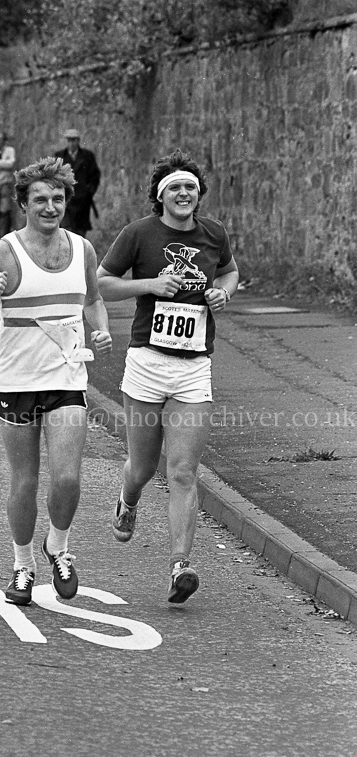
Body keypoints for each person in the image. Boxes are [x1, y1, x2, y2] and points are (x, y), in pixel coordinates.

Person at [0, 156, 112, 605]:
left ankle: (58, 548)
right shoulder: (4, 252)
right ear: (22, 203)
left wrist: (100, 329)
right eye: (40, 199)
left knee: (67, 479)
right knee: (24, 481)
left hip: (66, 376)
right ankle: (22, 565)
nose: (50, 207)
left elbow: (95, 299)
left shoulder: (82, 250)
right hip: (16, 380)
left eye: (58, 199)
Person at [97, 149, 239, 606]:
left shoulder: (213, 233)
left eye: (191, 189)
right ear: (160, 196)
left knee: (182, 471)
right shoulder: (139, 233)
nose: (184, 194)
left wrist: (222, 293)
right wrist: (150, 286)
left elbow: (231, 271)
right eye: (175, 188)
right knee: (142, 467)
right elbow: (101, 282)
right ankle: (128, 498)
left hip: (195, 367)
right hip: (146, 365)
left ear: (199, 197)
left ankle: (181, 565)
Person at [54, 129, 100, 237]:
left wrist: (89, 191)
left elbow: (95, 176)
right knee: (66, 231)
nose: (71, 143)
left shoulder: (87, 156)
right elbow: (54, 176)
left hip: (82, 202)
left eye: (74, 140)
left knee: (80, 233)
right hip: (66, 201)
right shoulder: (59, 156)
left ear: (78, 141)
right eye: (69, 140)